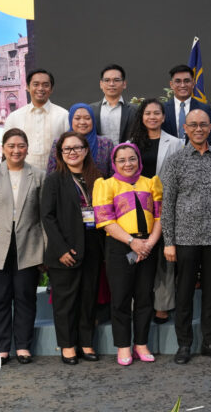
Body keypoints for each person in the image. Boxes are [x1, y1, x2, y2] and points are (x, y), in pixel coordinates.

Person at [161, 109, 211, 364]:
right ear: (185, 128)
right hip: (184, 238)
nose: (198, 129)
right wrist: (169, 241)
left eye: (203, 125)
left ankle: (209, 342)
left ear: (210, 128)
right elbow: (167, 204)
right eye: (193, 125)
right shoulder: (175, 161)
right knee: (183, 293)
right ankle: (184, 344)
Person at [0, 128, 46, 364]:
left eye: (21, 145)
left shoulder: (39, 175)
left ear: (27, 148)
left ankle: (23, 346)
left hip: (29, 245)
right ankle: (1, 348)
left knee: (25, 295)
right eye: (11, 146)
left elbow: (45, 216)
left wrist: (44, 250)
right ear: (3, 148)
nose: (16, 150)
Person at [92, 142, 162, 366]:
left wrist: (148, 244)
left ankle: (141, 343)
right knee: (121, 298)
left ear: (139, 159)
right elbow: (105, 221)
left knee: (144, 296)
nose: (127, 164)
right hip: (120, 246)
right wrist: (133, 242)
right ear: (114, 163)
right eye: (121, 160)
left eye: (132, 158)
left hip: (148, 245)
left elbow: (160, 217)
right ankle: (123, 346)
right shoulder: (106, 185)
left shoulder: (150, 183)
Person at [41, 132, 104, 364]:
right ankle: (67, 346)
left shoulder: (98, 178)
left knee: (88, 298)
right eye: (67, 149)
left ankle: (86, 343)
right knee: (65, 302)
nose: (72, 152)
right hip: (65, 251)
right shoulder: (54, 180)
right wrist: (61, 250)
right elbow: (47, 217)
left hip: (92, 248)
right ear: (60, 154)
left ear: (86, 150)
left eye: (77, 148)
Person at [128, 98, 182, 324]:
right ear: (142, 117)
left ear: (163, 116)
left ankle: (163, 304)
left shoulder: (177, 143)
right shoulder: (131, 143)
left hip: (166, 204)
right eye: (148, 113)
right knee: (138, 253)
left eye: (156, 113)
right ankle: (138, 302)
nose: (152, 117)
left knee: (164, 255)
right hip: (136, 207)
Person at [4, 69, 69, 170]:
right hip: (22, 177)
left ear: (51, 89)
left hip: (55, 176)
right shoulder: (14, 117)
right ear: (27, 87)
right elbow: (6, 150)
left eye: (45, 85)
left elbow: (71, 148)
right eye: (36, 84)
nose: (40, 88)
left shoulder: (64, 115)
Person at [47, 103, 114, 177]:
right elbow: (51, 174)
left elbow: (113, 174)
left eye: (87, 118)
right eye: (77, 118)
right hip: (66, 187)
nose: (82, 122)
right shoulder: (60, 142)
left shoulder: (106, 144)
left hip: (100, 187)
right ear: (70, 120)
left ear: (93, 121)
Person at [162, 64, 211, 144]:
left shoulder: (204, 109)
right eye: (178, 81)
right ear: (171, 85)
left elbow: (209, 139)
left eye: (186, 81)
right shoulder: (162, 109)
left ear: (193, 83)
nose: (182, 85)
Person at [90, 64, 138, 145]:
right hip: (98, 156)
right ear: (101, 84)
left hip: (125, 156)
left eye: (116, 80)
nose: (111, 84)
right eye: (107, 80)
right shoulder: (91, 109)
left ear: (124, 84)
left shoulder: (135, 110)